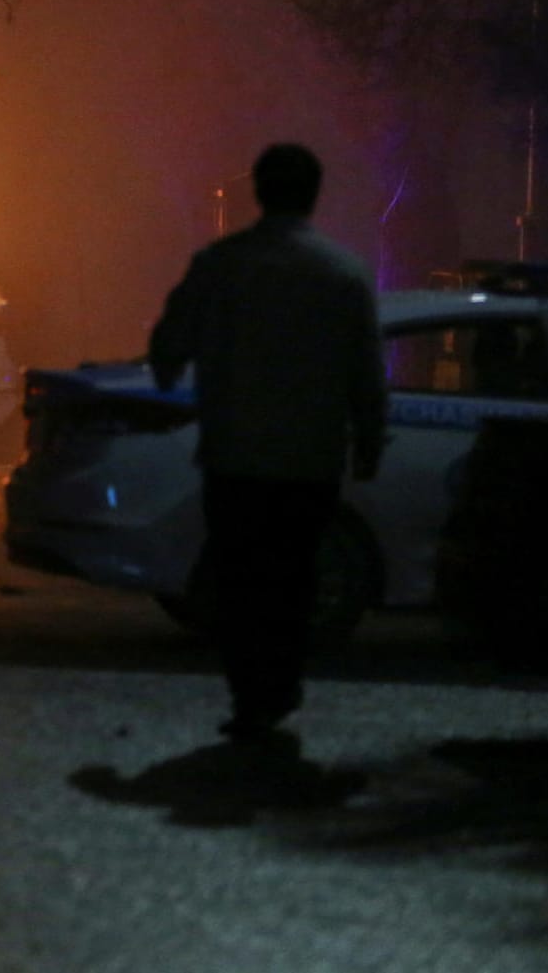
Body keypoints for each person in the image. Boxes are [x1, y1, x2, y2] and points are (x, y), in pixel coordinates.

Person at [148, 143, 386, 740]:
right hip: (309, 461)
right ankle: (279, 685)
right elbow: (366, 369)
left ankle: (251, 689)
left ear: (258, 191)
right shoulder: (344, 273)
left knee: (240, 574)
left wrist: (172, 370)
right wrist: (370, 438)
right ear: (314, 194)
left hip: (236, 457)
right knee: (293, 574)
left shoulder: (221, 264)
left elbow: (169, 345)